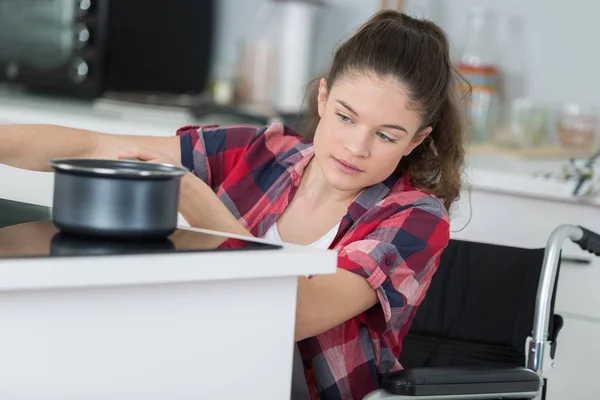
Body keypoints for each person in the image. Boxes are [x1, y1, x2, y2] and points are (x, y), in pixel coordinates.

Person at [0, 10, 465, 400]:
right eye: (345, 116)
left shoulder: (415, 219)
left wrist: (201, 207)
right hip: (192, 376)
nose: (356, 147)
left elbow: (291, 311)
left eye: (386, 135)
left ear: (416, 141)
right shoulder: (262, 153)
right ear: (323, 98)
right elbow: (96, 145)